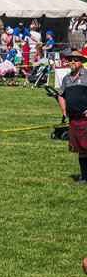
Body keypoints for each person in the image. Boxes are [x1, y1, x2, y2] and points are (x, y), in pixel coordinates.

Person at [57, 48, 87, 185]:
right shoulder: (67, 79)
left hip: (85, 118)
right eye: (70, 60)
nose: (72, 62)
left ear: (81, 62)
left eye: (75, 60)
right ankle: (84, 177)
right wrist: (63, 107)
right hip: (74, 118)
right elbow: (60, 94)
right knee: (81, 149)